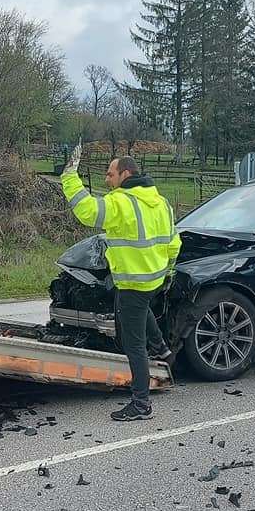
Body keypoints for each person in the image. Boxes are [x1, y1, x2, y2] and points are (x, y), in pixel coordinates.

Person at [61, 143, 181, 421]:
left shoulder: (121, 202)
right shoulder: (161, 202)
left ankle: (141, 404)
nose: (107, 179)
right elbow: (174, 243)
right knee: (139, 310)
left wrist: (69, 177)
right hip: (154, 279)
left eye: (110, 174)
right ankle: (163, 349)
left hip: (132, 282)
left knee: (133, 343)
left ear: (125, 175)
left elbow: (88, 212)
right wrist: (165, 273)